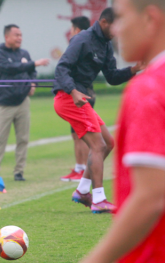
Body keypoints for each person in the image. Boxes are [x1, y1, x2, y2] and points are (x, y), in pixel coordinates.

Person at [81, 0, 165, 261]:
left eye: (121, 18)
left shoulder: (149, 88)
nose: (115, 30)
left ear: (150, 20)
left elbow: (151, 197)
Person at [52, 7, 144, 214]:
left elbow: (111, 77)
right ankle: (99, 199)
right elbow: (62, 68)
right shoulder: (82, 39)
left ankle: (83, 190)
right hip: (69, 98)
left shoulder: (105, 45)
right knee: (98, 145)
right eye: (116, 26)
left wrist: (133, 70)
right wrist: (73, 91)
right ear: (104, 23)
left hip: (81, 98)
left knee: (108, 143)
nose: (119, 30)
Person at [0, 24, 49, 183]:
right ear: (7, 37)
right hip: (5, 104)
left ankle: (19, 172)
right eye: (16, 35)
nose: (20, 38)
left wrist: (33, 83)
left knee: (23, 139)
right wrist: (34, 63)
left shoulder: (24, 53)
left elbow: (31, 71)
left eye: (21, 35)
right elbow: (11, 68)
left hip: (23, 102)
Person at [59, 16, 93, 182]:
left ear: (77, 30)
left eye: (72, 29)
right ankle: (79, 167)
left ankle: (85, 169)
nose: (71, 32)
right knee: (76, 135)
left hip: (81, 95)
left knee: (82, 136)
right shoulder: (80, 44)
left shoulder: (81, 45)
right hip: (75, 95)